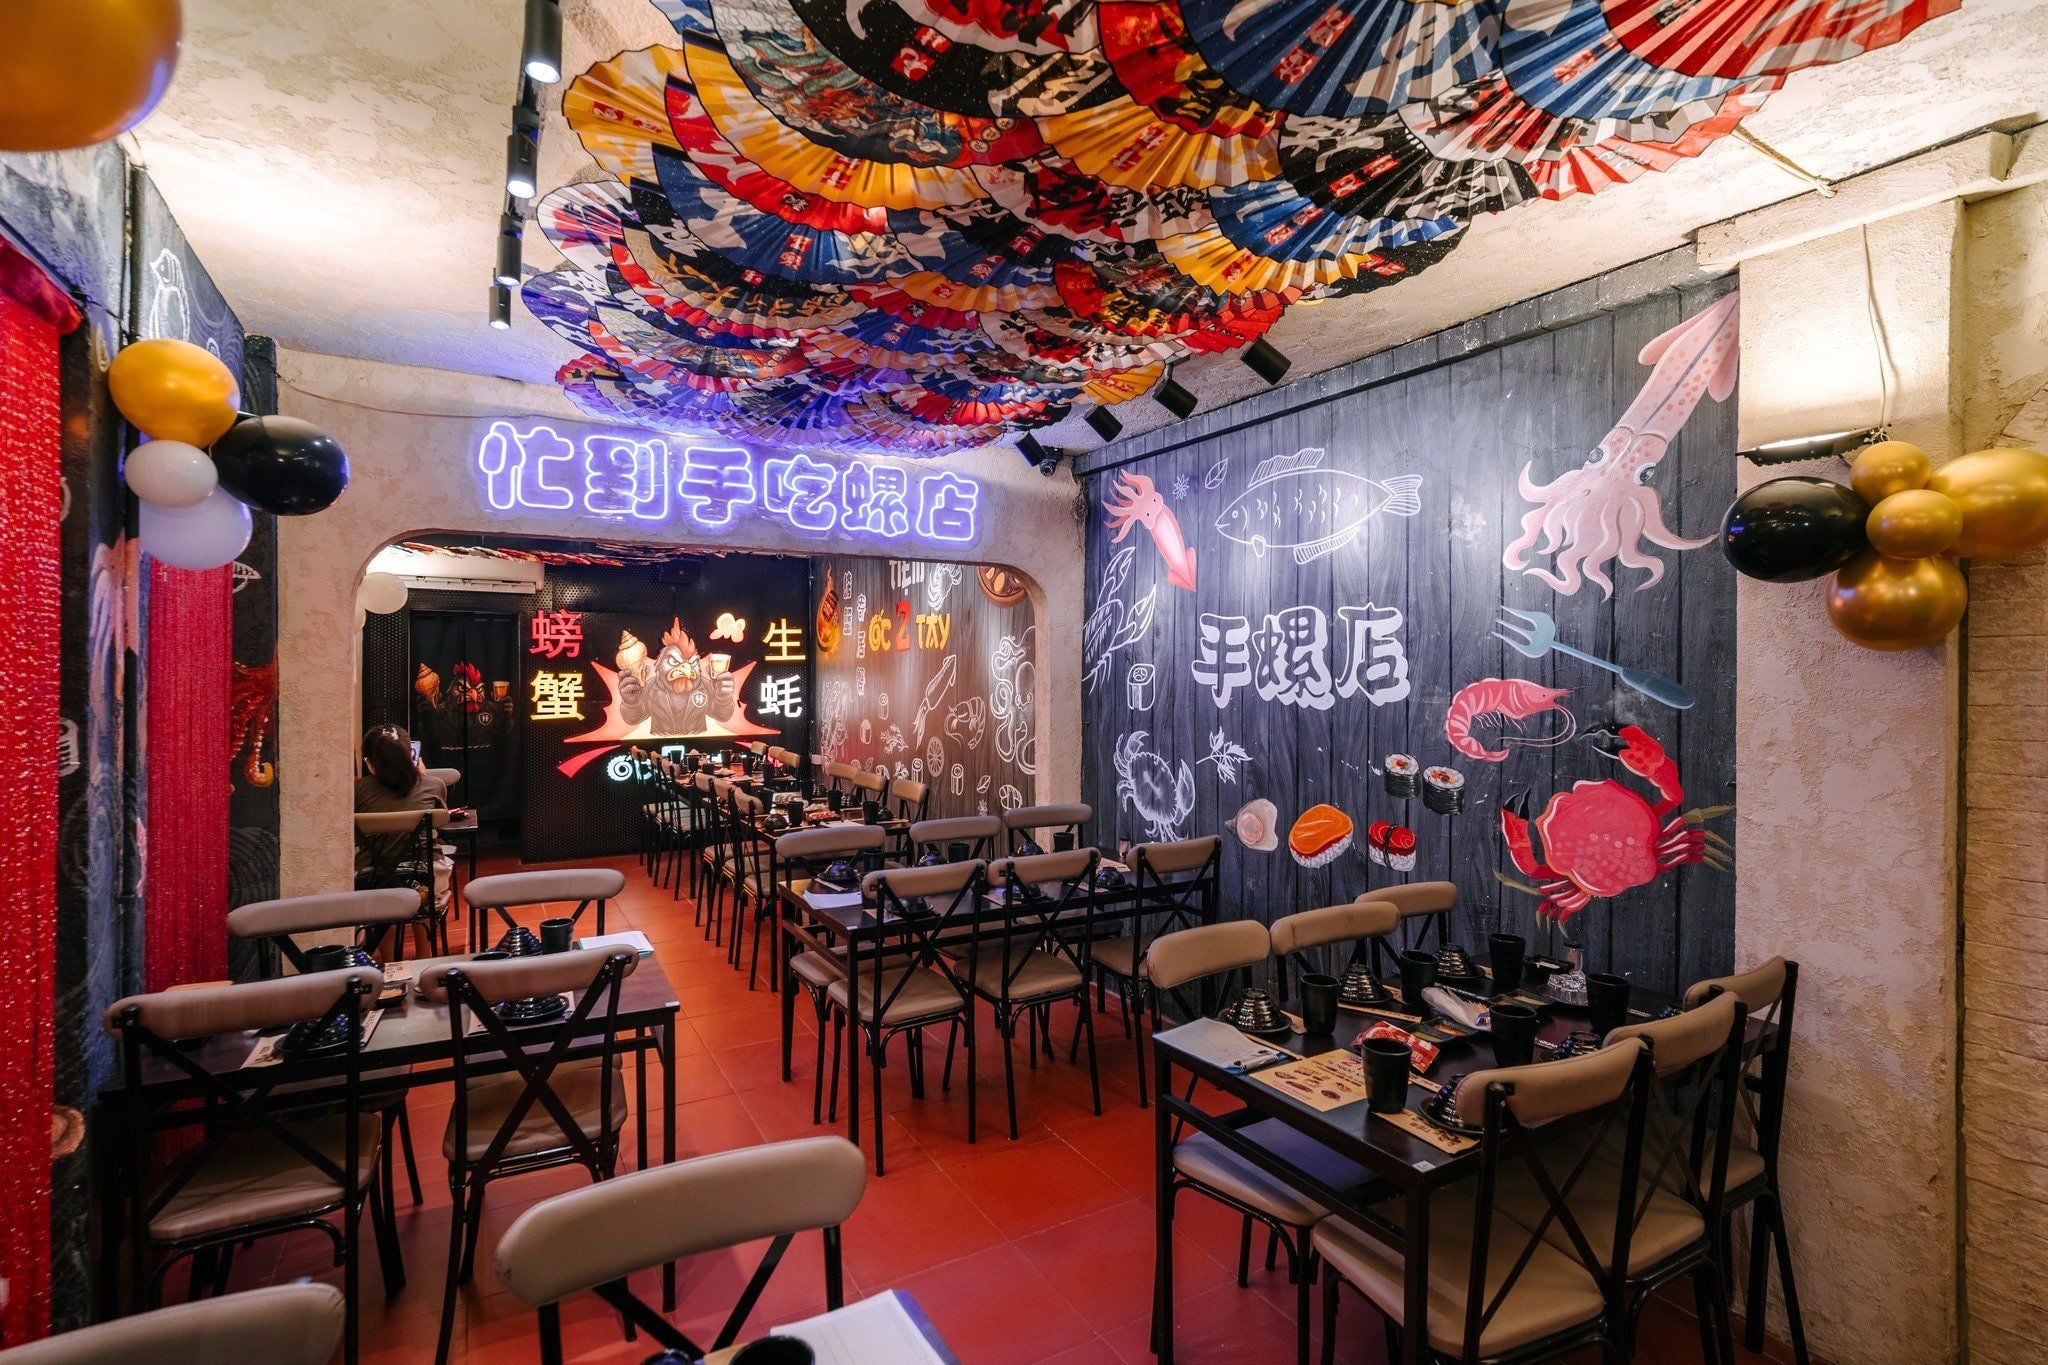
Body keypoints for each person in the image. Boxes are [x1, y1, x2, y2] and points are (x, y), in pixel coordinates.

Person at [354, 724, 447, 878]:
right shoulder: (435, 785)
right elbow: (438, 825)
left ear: (370, 762)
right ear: (410, 755)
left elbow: (355, 838)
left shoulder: (357, 790)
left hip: (370, 878)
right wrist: (423, 778)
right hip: (428, 876)